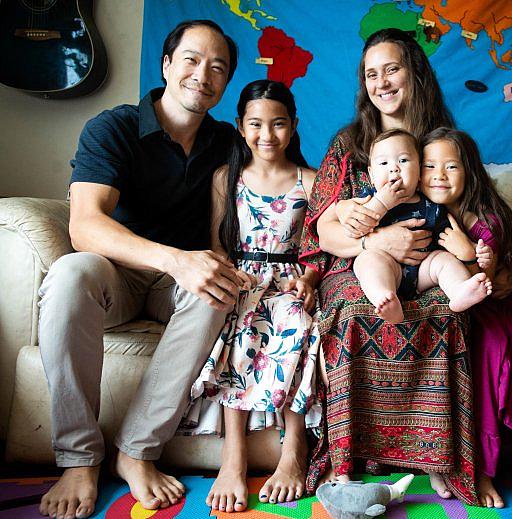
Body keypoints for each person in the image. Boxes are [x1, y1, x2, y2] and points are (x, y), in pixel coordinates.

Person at [37, 20, 241, 519]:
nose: (203, 74)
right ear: (167, 65)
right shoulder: (115, 127)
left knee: (218, 288)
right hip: (118, 273)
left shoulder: (229, 142)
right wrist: (173, 257)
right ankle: (80, 458)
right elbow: (85, 226)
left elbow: (284, 185)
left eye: (218, 67)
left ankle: (136, 450)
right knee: (69, 273)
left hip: (180, 283)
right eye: (191, 60)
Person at [299, 28, 478, 503]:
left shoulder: (441, 142)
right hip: (359, 266)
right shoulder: (348, 144)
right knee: (356, 311)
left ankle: (436, 456)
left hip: (429, 266)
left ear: (414, 73)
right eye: (371, 73)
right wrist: (377, 242)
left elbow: (469, 210)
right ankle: (349, 458)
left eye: (392, 69)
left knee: (447, 310)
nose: (382, 82)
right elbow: (322, 229)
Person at [178, 79, 321, 512]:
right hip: (243, 276)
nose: (267, 135)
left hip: (291, 280)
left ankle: (294, 450)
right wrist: (231, 277)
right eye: (256, 124)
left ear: (293, 126)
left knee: (299, 323)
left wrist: (309, 280)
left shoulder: (310, 180)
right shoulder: (228, 178)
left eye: (278, 124)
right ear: (240, 127)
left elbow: (320, 248)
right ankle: (233, 457)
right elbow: (219, 242)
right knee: (237, 323)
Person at [419, 128, 512, 508]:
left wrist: (467, 252)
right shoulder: (420, 212)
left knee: (498, 352)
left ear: (470, 172)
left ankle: (511, 465)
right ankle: (459, 459)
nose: (439, 175)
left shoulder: (486, 218)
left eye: (451, 166)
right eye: (429, 166)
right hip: (462, 313)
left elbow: (490, 280)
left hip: (504, 307)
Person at [353, 128, 492, 323]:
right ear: (371, 174)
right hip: (388, 266)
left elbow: (450, 239)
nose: (394, 169)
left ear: (419, 170)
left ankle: (458, 291)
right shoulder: (368, 199)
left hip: (423, 272)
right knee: (367, 260)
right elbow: (357, 230)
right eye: (384, 163)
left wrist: (477, 252)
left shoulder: (432, 204)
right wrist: (382, 203)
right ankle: (384, 298)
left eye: (403, 161)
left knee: (443, 260)